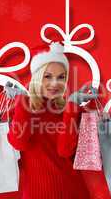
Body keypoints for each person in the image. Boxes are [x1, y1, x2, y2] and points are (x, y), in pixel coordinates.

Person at [5, 42, 98, 199]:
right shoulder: (22, 107)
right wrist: (22, 100)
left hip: (73, 192)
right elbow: (18, 143)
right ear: (37, 77)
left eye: (61, 77)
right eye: (47, 76)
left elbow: (64, 150)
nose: (55, 83)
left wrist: (72, 105)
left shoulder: (70, 109)